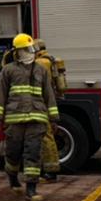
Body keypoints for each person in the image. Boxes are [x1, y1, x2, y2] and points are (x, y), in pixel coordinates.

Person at [0, 34, 59, 201]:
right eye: (26, 50)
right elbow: (1, 95)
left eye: (31, 49)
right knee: (13, 153)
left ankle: (31, 189)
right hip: (15, 120)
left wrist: (54, 118)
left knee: (33, 153)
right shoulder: (8, 70)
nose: (30, 52)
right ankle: (13, 178)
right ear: (17, 52)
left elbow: (48, 95)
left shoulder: (41, 70)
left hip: (36, 119)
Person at [33, 40, 68, 182]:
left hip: (41, 103)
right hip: (48, 101)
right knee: (47, 136)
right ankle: (48, 170)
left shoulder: (40, 63)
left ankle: (50, 172)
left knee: (46, 137)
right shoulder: (50, 60)